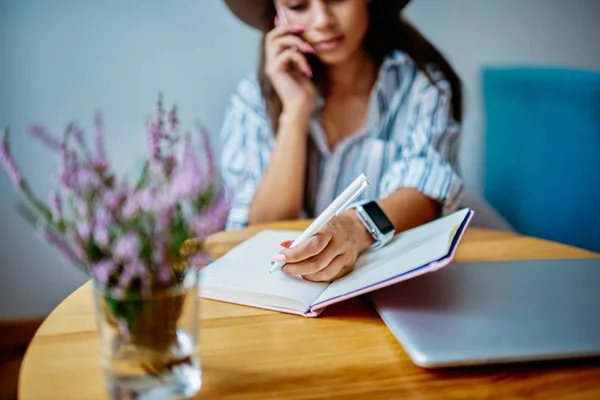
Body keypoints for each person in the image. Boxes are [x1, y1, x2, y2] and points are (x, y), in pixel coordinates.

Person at [220, 0, 464, 282]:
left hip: (386, 289)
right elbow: (261, 228)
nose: (323, 20)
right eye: (298, 6)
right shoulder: (253, 98)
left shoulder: (420, 87)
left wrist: (356, 227)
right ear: (279, 17)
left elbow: (424, 194)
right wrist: (295, 114)